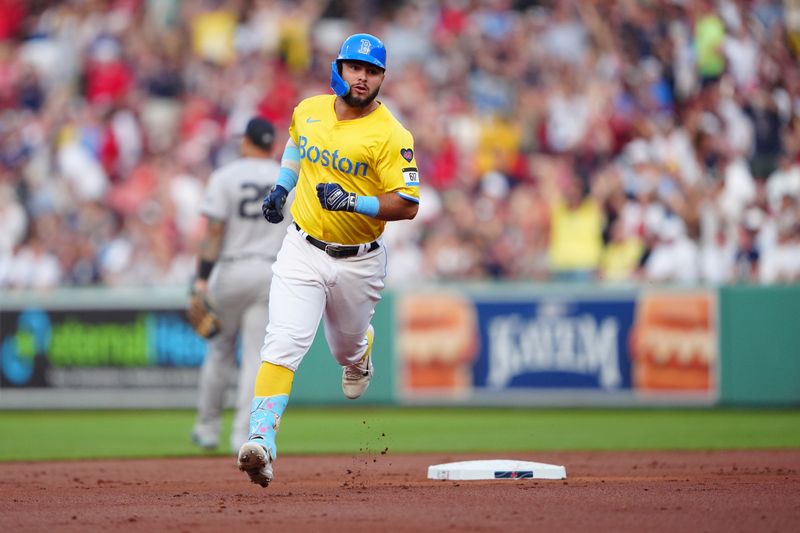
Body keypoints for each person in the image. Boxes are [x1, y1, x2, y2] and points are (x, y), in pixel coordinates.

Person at [236, 33, 419, 487]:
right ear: (338, 67)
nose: (362, 77)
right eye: (355, 67)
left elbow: (409, 203)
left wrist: (354, 202)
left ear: (382, 78)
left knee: (345, 350)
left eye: (372, 71)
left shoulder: (392, 134)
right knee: (282, 342)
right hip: (302, 246)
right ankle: (262, 440)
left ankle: (361, 354)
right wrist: (282, 186)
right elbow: (297, 144)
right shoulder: (310, 109)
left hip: (359, 260)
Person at [190, 116, 292, 452]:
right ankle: (242, 437)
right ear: (271, 145)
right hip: (270, 272)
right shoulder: (285, 178)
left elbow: (214, 233)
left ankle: (207, 429)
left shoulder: (226, 176)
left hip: (231, 271)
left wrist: (201, 279)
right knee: (254, 359)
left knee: (219, 351)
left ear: (246, 142)